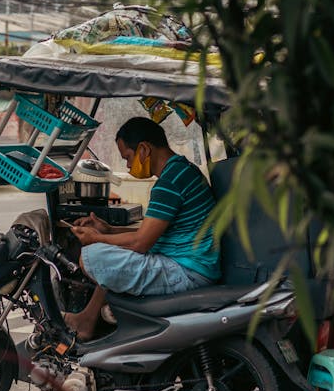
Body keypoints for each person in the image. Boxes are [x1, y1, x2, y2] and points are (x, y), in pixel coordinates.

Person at [64, 116, 221, 341]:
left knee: (92, 256)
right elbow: (149, 233)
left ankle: (104, 318)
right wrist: (106, 230)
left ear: (144, 149)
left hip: (188, 273)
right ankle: (88, 319)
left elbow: (141, 243)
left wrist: (97, 238)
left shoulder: (170, 182)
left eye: (128, 157)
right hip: (191, 264)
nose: (128, 166)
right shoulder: (181, 171)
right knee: (112, 255)